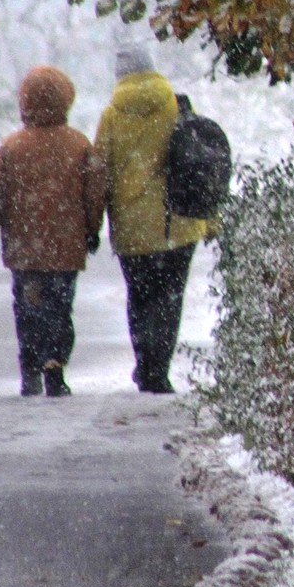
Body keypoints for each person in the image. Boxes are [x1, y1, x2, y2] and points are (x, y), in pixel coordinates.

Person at [0, 66, 106, 397]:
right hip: (66, 246)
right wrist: (92, 228)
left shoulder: (12, 147)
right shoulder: (79, 145)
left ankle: (30, 367)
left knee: (29, 308)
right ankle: (54, 367)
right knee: (60, 309)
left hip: (25, 248)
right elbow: (94, 191)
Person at [94, 45, 209, 393]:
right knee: (170, 297)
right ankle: (158, 369)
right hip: (178, 224)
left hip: (132, 228)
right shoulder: (177, 106)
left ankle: (145, 364)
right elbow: (199, 163)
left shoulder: (112, 115)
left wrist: (92, 223)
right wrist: (210, 216)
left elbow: (100, 172)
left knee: (140, 297)